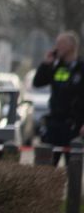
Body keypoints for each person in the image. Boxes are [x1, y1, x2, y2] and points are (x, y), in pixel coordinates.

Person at [33, 31, 84, 165]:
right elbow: (37, 82)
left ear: (71, 46)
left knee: (73, 168)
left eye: (60, 43)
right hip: (54, 124)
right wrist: (46, 64)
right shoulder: (56, 67)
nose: (57, 47)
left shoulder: (81, 68)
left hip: (73, 126)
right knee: (45, 168)